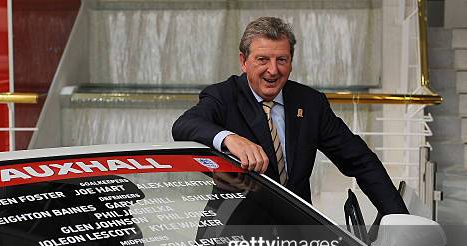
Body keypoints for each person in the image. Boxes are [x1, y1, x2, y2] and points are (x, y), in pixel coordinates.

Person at [172, 17, 408, 216]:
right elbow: (184, 126)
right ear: (244, 62)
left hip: (297, 241)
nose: (273, 70)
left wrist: (401, 223)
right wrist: (229, 138)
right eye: (262, 59)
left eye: (281, 60)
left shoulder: (311, 103)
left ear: (291, 63)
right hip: (234, 239)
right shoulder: (223, 96)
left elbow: (361, 161)